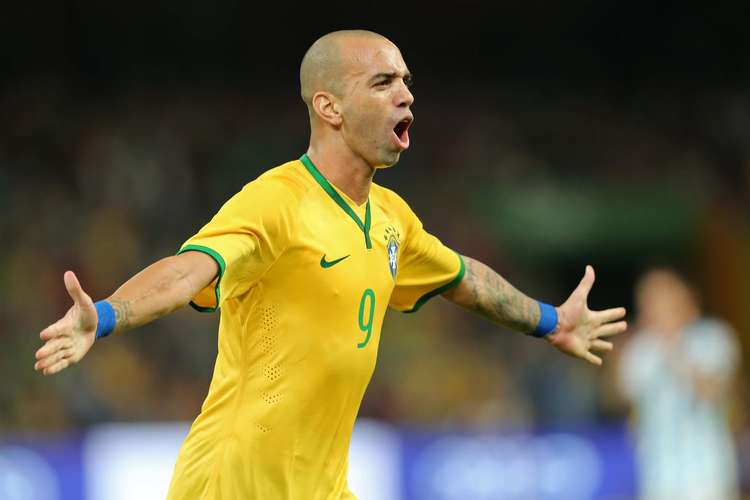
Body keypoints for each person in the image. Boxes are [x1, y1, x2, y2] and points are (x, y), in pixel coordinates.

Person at [34, 30, 627, 499]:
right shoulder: (277, 201)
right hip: (235, 485)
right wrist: (105, 315)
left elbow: (462, 279)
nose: (406, 95)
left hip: (323, 488)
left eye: (407, 82)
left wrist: (551, 321)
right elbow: (188, 271)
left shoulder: (392, 218)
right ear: (329, 106)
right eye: (383, 82)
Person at [618, 267, 741, 500]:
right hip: (658, 477)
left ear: (684, 296)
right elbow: (626, 403)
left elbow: (714, 392)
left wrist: (674, 347)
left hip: (708, 475)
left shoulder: (713, 337)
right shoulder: (639, 349)